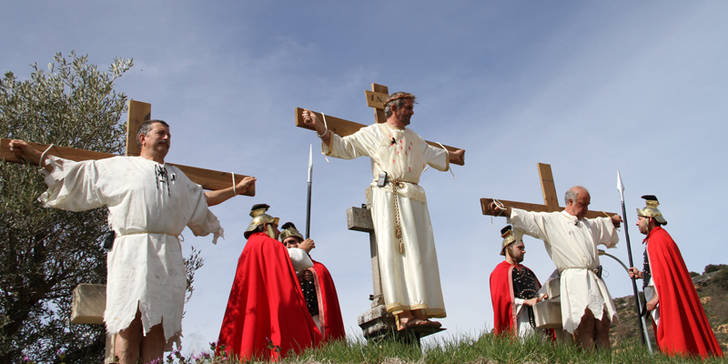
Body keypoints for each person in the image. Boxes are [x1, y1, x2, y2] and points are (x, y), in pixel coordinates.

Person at [8, 120, 255, 364]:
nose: (167, 138)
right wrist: (37, 155)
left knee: (158, 323)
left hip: (167, 254)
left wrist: (235, 189)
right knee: (129, 320)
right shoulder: (120, 167)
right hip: (131, 250)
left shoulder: (177, 177)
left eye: (169, 135)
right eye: (161, 133)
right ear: (143, 138)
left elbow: (202, 198)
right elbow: (77, 173)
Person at [301, 92, 464, 330]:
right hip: (388, 196)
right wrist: (319, 128)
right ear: (393, 109)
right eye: (407, 107)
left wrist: (453, 156)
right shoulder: (374, 133)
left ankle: (419, 310)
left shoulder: (415, 139)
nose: (412, 112)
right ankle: (403, 314)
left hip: (415, 199)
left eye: (411, 107)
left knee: (419, 253)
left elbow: (434, 154)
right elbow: (346, 146)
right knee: (395, 252)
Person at [490, 186, 622, 350]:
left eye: (588, 204)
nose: (587, 209)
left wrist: (612, 221)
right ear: (570, 202)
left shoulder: (589, 224)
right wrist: (507, 211)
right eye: (583, 204)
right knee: (584, 324)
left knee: (603, 324)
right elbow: (530, 218)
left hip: (594, 278)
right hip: (575, 279)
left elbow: (603, 224)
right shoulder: (553, 221)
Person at [217, 205, 321, 361]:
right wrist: (302, 250)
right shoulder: (265, 244)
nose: (278, 232)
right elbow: (291, 258)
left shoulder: (251, 246)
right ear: (266, 226)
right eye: (276, 227)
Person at [628, 195, 722, 358]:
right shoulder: (656, 239)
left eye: (639, 219)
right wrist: (642, 275)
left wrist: (656, 299)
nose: (637, 223)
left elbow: (666, 278)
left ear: (650, 219)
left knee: (673, 337)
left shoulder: (659, 240)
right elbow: (661, 273)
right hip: (663, 296)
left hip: (665, 298)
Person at [279, 222, 346, 342]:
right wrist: (298, 276)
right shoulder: (283, 271)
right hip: (296, 321)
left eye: (291, 242)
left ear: (300, 243)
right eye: (285, 244)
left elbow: (324, 294)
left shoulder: (318, 268)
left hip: (316, 319)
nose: (288, 245)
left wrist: (313, 275)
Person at [489, 225, 546, 338]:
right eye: (520, 248)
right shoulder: (499, 272)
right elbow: (502, 300)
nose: (524, 251)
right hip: (520, 322)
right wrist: (525, 302)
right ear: (508, 248)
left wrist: (543, 296)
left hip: (536, 319)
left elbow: (538, 291)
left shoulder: (528, 271)